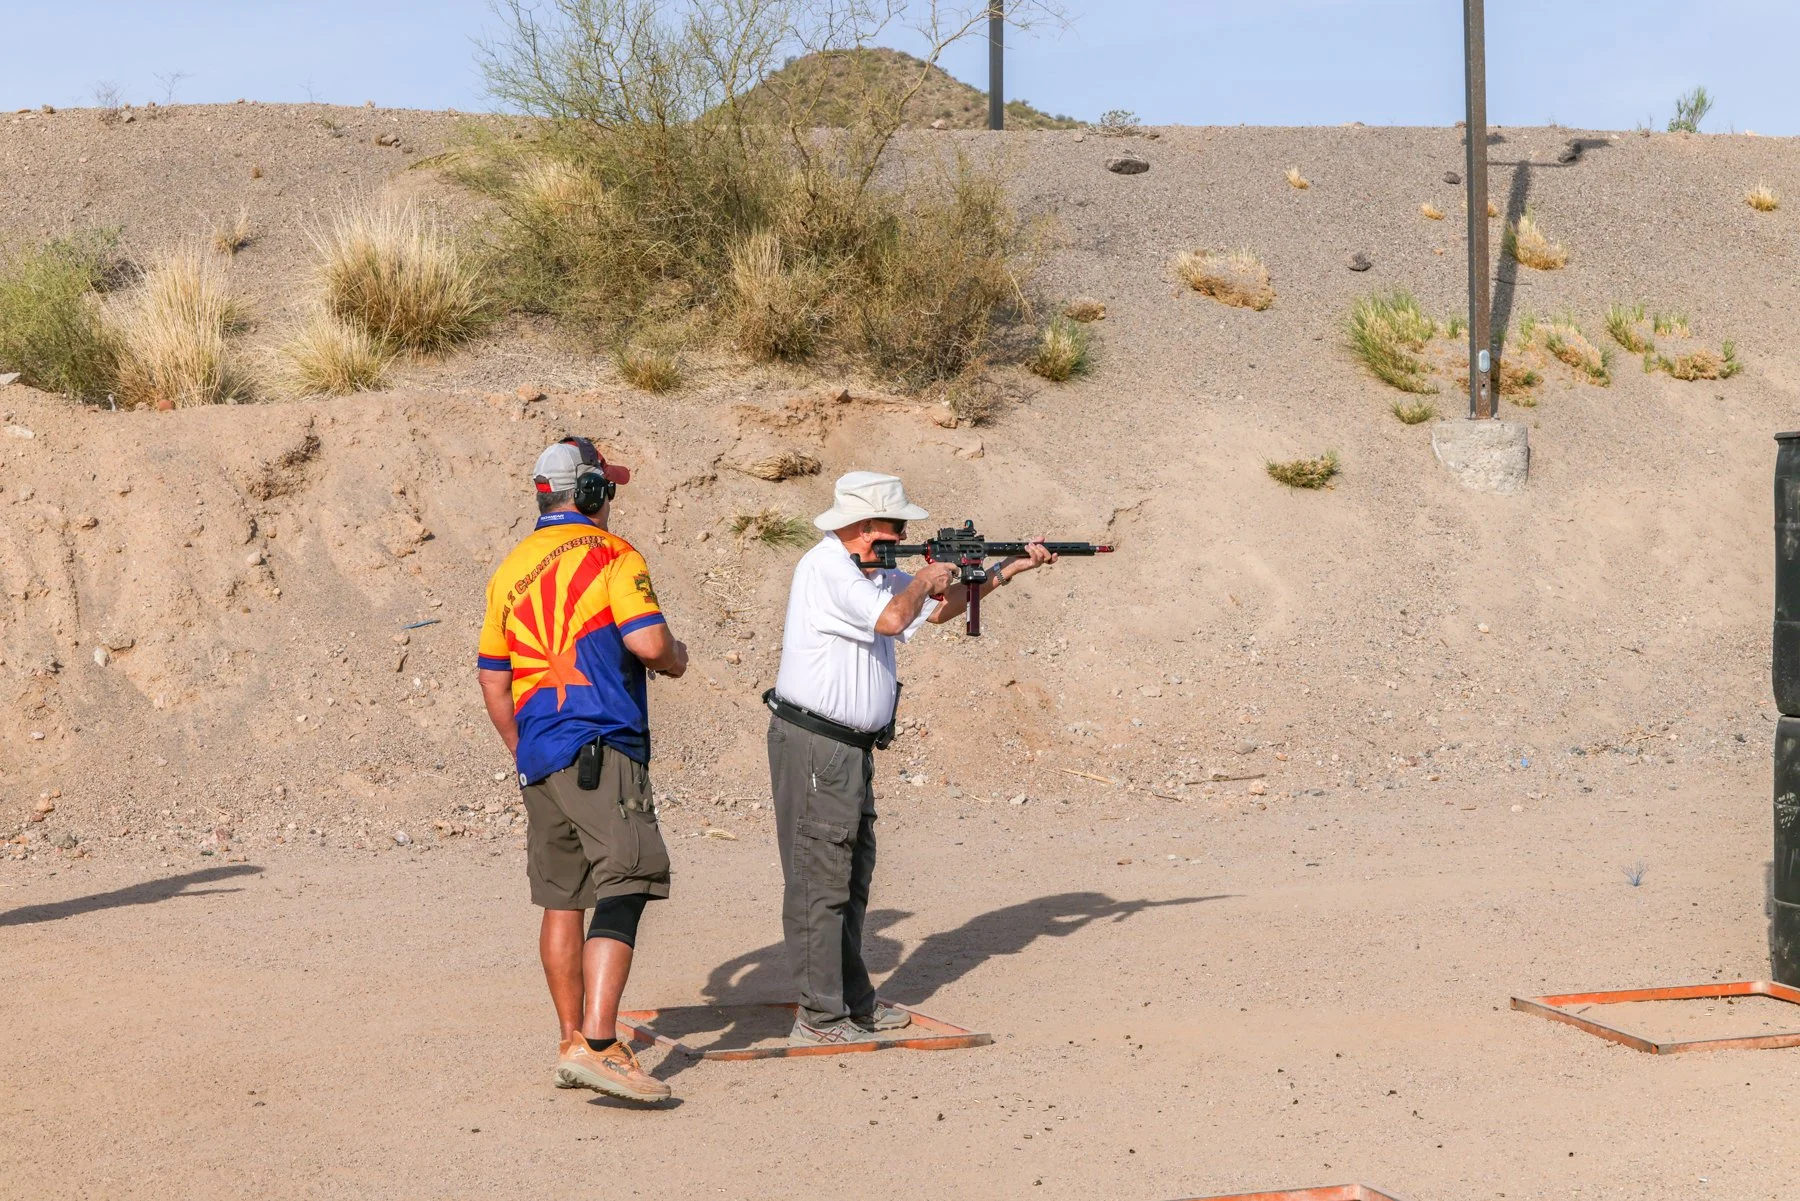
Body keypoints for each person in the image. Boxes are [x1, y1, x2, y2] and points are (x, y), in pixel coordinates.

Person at [764, 471, 1055, 1045]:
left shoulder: (867, 572)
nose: (899, 536)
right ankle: (820, 1018)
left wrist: (1005, 570)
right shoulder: (827, 568)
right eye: (892, 526)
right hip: (818, 744)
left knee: (850, 878)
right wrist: (925, 577)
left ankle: (852, 1003)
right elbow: (894, 618)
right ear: (860, 525)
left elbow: (934, 613)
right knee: (820, 879)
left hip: (849, 749)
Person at [478, 436, 689, 1102]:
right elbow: (648, 642)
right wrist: (677, 656)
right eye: (609, 488)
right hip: (602, 744)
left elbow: (493, 679)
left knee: (562, 897)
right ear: (592, 492)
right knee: (629, 878)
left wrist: (523, 747)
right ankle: (600, 1044)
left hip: (539, 752)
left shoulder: (510, 569)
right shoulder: (613, 555)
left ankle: (570, 1039)